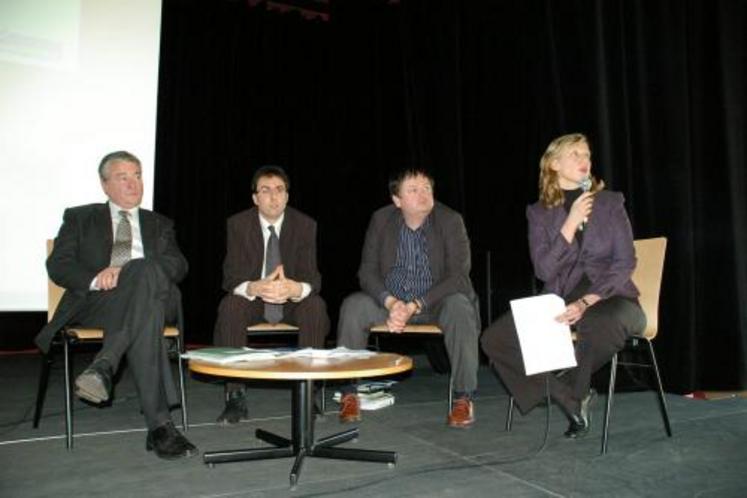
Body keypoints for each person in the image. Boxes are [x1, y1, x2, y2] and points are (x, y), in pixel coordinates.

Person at [480, 133, 646, 438]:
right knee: (495, 339)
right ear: (554, 164)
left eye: (587, 155)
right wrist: (569, 223)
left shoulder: (610, 203)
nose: (585, 161)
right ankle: (567, 398)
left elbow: (625, 262)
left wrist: (586, 302)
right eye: (575, 155)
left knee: (596, 323)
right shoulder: (539, 213)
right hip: (561, 299)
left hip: (613, 298)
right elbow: (544, 269)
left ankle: (576, 390)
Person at [36, 151, 197, 459]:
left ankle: (104, 364)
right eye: (123, 177)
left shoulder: (159, 223)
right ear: (105, 184)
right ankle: (160, 427)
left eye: (137, 175)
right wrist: (98, 278)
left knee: (144, 270)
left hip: (157, 297)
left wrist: (129, 272)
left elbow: (179, 265)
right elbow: (58, 265)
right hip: (98, 301)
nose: (133, 183)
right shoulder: (80, 217)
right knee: (145, 312)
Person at [336, 169, 481, 428]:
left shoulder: (450, 220)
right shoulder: (381, 220)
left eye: (427, 188)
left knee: (460, 305)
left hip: (436, 303)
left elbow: (459, 276)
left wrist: (415, 305)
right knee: (353, 305)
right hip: (391, 303)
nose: (423, 194)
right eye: (413, 189)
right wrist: (391, 303)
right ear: (397, 200)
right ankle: (349, 393)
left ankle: (463, 398)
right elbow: (367, 271)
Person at [213, 165, 330, 424]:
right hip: (255, 300)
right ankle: (235, 395)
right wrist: (254, 287)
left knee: (315, 305)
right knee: (230, 305)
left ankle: (308, 394)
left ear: (287, 196)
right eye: (266, 191)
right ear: (255, 198)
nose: (274, 197)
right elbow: (230, 277)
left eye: (279, 190)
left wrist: (296, 288)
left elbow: (313, 278)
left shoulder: (305, 225)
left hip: (290, 302)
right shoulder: (238, 224)